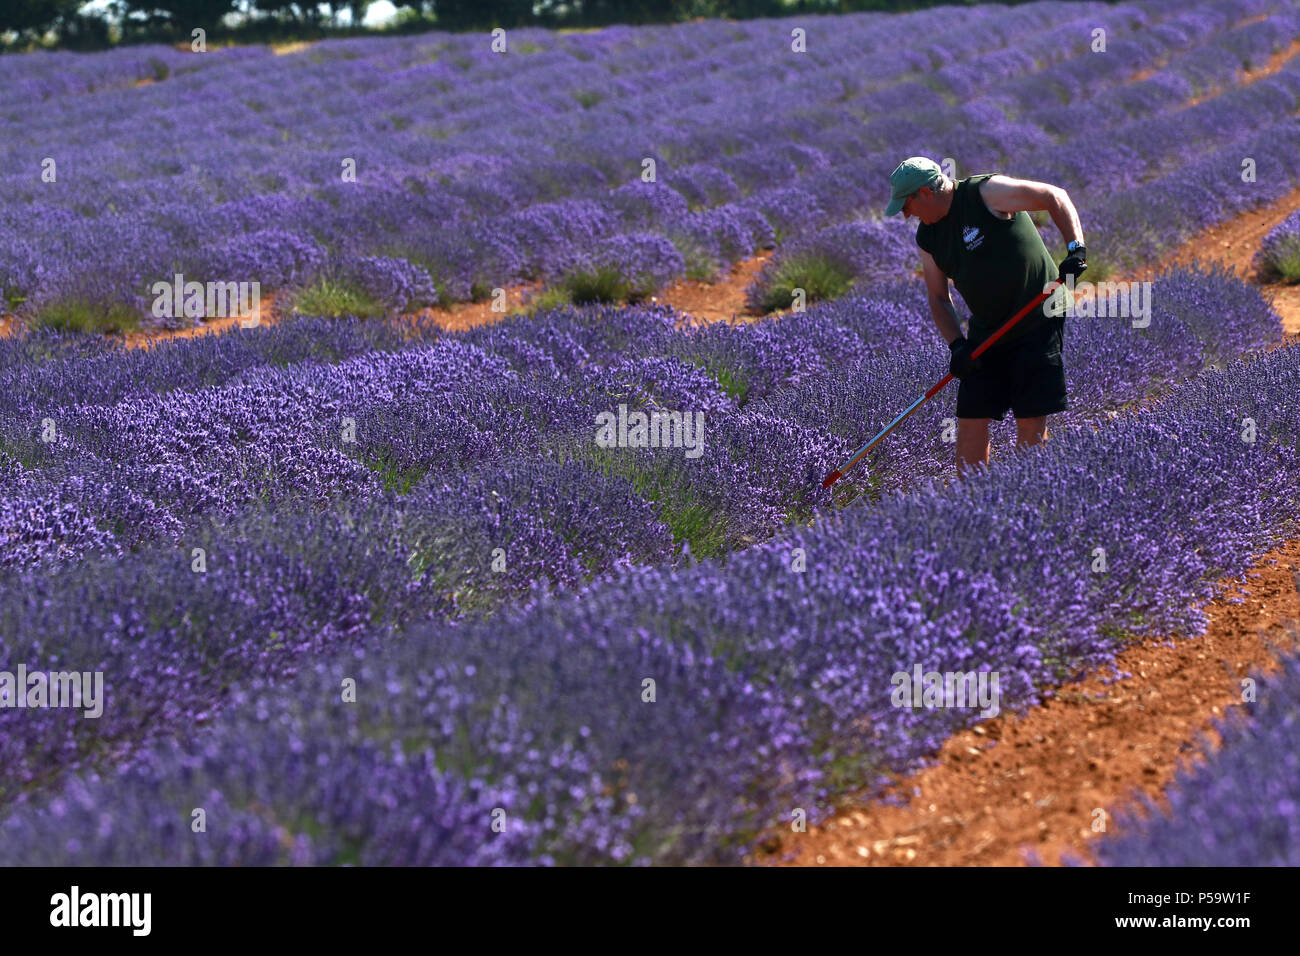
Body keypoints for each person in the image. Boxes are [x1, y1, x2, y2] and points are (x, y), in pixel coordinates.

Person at [885, 156, 1088, 478]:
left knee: (1030, 414)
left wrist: (1075, 248)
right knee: (971, 417)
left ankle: (1028, 491)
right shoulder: (928, 238)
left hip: (1037, 314)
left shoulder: (986, 193)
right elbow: (938, 298)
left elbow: (1055, 196)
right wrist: (956, 346)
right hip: (986, 331)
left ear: (925, 192)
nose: (906, 215)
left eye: (906, 205)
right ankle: (973, 502)